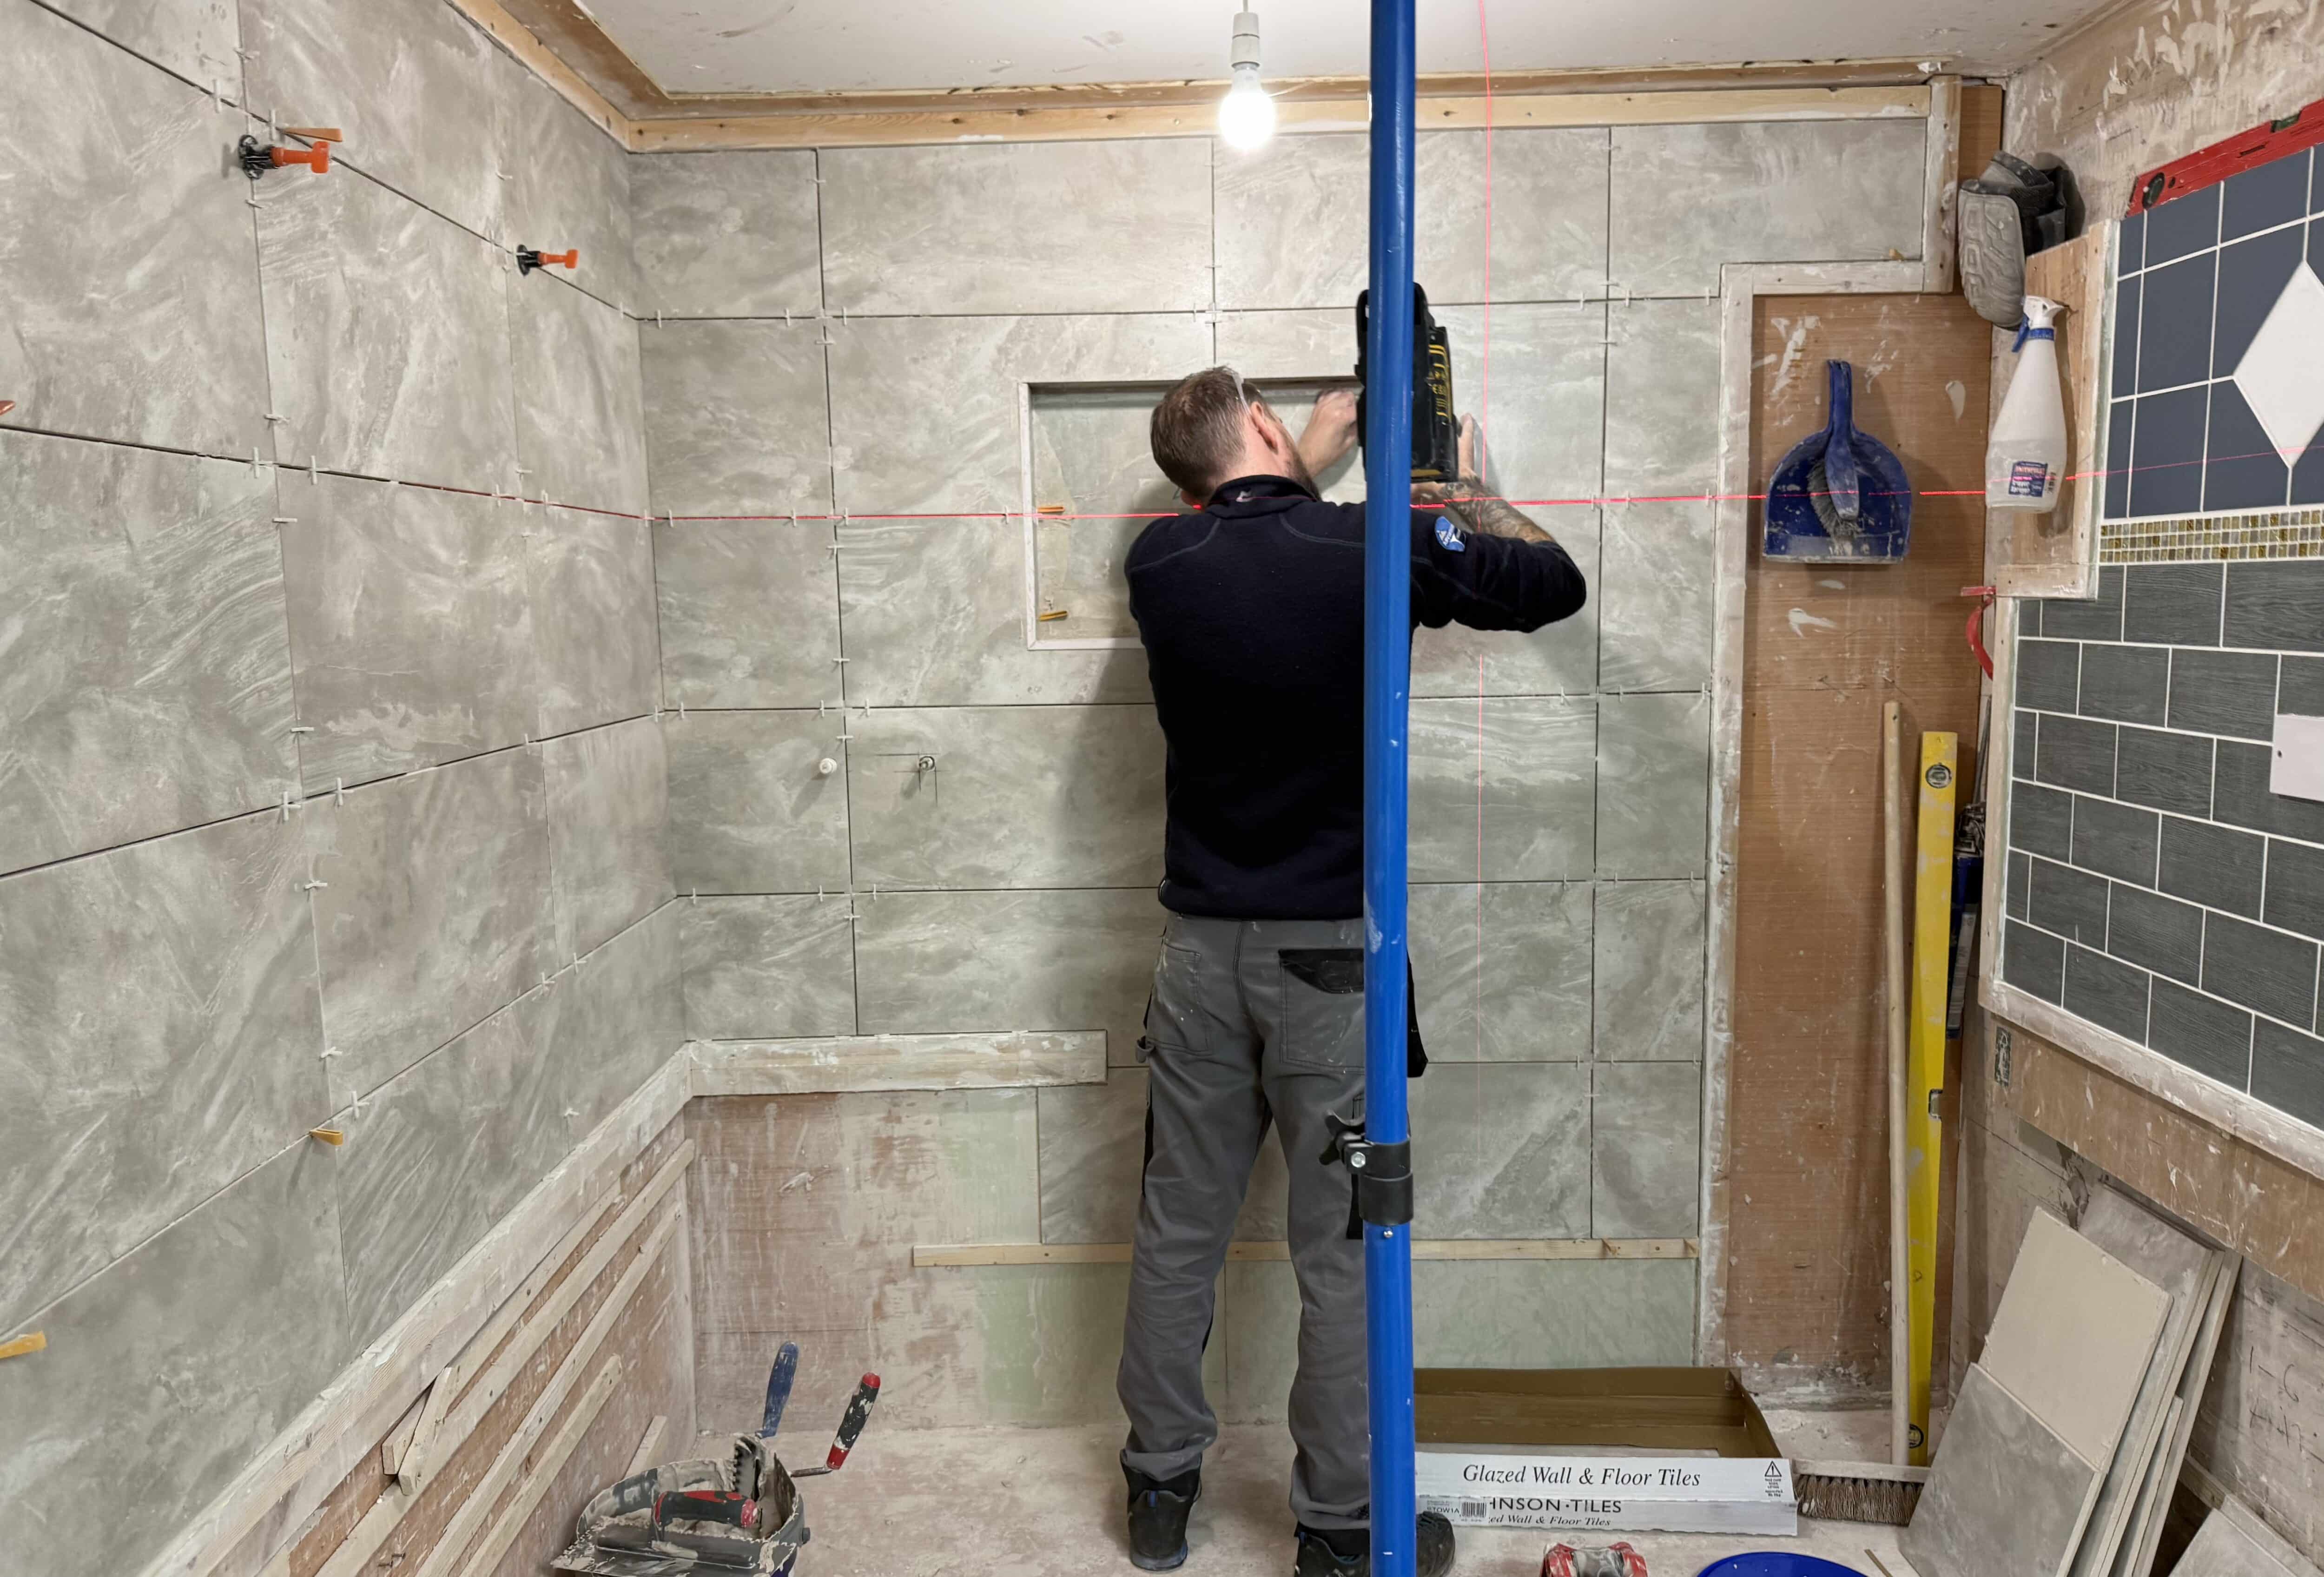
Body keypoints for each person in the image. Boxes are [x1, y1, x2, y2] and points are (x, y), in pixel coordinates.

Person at [1116, 368, 1588, 1576]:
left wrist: (1303, 468)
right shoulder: (1368, 546)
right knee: (1342, 1250)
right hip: (1328, 966)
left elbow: (1255, 540)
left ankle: (1159, 1490)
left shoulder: (1159, 566)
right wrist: (1455, 483)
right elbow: (1551, 586)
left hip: (1199, 959)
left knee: (1178, 1231)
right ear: (1265, 426)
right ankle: (1337, 1528)